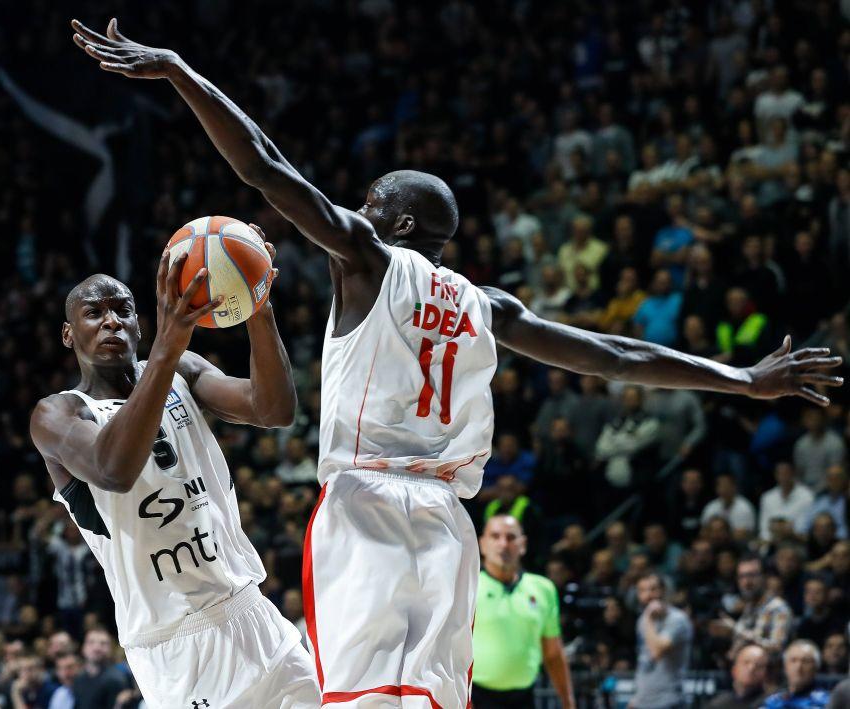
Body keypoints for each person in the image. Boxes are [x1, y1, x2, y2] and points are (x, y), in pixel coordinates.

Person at [71, 19, 844, 706]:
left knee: (359, 700)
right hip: (446, 521)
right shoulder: (487, 305)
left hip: (366, 505)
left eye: (371, 202)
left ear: (400, 222)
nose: (357, 210)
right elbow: (614, 355)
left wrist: (180, 72)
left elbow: (265, 167)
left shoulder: (368, 258)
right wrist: (740, 378)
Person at [28, 249, 320, 706]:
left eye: (123, 310)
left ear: (139, 325)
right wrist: (166, 348)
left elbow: (274, 409)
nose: (111, 321)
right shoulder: (58, 413)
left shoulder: (182, 370)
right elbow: (114, 470)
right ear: (69, 334)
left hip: (249, 609)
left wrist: (256, 305)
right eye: (94, 313)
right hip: (174, 640)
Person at [471, 515, 574, 709]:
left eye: (511, 537)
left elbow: (553, 653)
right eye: (495, 536)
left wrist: (568, 702)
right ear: (482, 544)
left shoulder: (543, 589)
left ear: (523, 544)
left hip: (525, 697)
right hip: (474, 697)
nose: (503, 544)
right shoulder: (467, 587)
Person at [632, 573, 693, 709]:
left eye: (653, 589)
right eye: (642, 590)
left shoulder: (677, 619)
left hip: (669, 701)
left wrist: (648, 619)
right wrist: (636, 698)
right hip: (644, 701)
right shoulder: (642, 620)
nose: (648, 595)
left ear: (663, 591)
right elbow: (644, 659)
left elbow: (656, 652)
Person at [718, 555, 793, 659]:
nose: (746, 582)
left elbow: (776, 650)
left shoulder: (778, 608)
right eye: (741, 576)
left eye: (751, 575)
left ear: (765, 577)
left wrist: (735, 630)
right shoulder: (749, 607)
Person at [762, 640, 830, 708]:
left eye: (806, 661)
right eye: (793, 660)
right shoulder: (773, 700)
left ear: (816, 667)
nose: (798, 667)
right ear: (785, 666)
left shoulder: (825, 701)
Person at [707, 643, 769, 709]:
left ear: (766, 673)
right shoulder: (717, 704)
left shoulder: (769, 704)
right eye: (746, 662)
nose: (751, 668)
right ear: (734, 670)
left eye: (759, 665)